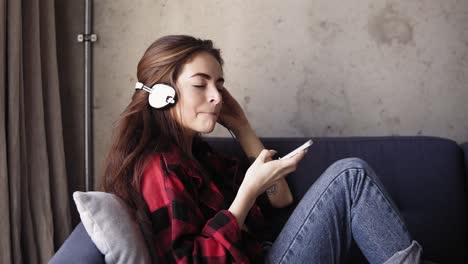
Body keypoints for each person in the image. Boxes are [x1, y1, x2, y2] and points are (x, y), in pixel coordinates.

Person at [101, 35, 424, 263]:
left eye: (220, 84)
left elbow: (280, 198)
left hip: (266, 252)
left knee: (351, 173)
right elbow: (190, 261)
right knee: (350, 174)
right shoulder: (160, 168)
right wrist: (246, 194)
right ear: (161, 94)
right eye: (200, 84)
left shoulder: (198, 155)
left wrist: (242, 128)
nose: (216, 96)